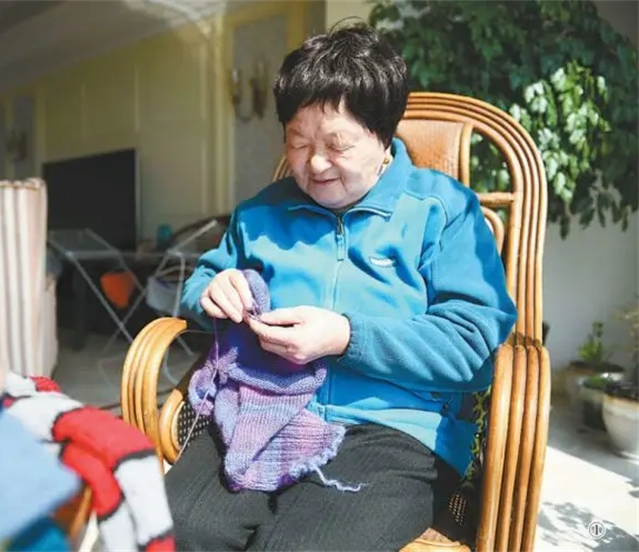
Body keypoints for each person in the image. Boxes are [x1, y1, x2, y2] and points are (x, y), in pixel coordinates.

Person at [166, 22, 517, 552]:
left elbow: (472, 344)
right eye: (298, 142)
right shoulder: (261, 212)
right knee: (172, 527)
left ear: (383, 135)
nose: (314, 163)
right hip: (262, 412)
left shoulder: (442, 211)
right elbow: (203, 282)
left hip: (396, 433)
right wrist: (214, 291)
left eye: (338, 144)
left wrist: (344, 337)